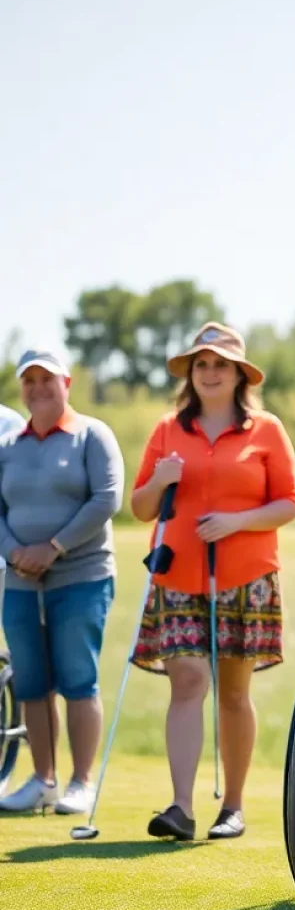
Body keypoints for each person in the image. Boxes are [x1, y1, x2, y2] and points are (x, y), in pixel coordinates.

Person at [130, 323, 295, 841]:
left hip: (245, 577)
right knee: (187, 682)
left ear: (239, 374)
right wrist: (161, 478)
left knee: (232, 692)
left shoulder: (265, 429)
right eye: (201, 364)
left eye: (219, 364)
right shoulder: (167, 429)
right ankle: (181, 807)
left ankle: (233, 806)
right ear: (190, 374)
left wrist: (236, 521)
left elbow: (289, 503)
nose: (209, 373)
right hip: (178, 573)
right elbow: (140, 507)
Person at [0, 348, 124, 815]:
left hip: (81, 575)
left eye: (46, 379)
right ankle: (42, 780)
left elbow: (106, 498)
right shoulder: (8, 447)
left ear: (66, 382)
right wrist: (15, 551)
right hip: (20, 580)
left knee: (77, 677)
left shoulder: (92, 435)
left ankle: (80, 782)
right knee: (32, 681)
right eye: (28, 381)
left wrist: (52, 547)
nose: (38, 388)